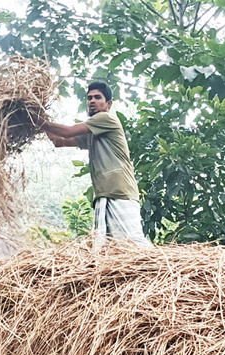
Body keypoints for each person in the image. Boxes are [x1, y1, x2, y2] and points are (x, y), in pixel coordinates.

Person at [39, 81, 151, 247]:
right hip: (104, 194)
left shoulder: (106, 119)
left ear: (108, 104)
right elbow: (58, 141)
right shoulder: (93, 132)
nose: (92, 101)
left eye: (97, 97)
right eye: (89, 98)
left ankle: (166, 269)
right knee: (108, 248)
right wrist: (40, 118)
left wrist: (37, 120)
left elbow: (68, 131)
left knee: (133, 242)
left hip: (120, 192)